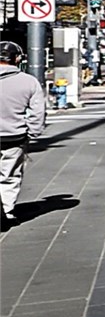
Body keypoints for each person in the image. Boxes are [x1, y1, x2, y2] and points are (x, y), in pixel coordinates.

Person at [0, 41, 48, 229]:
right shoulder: (29, 81)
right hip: (14, 136)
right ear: (17, 59)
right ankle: (6, 211)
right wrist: (34, 132)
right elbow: (38, 112)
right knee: (9, 175)